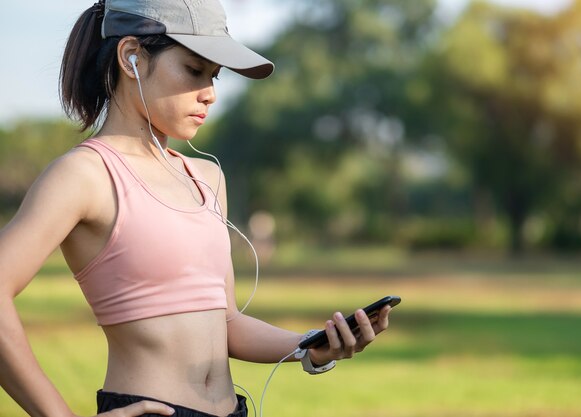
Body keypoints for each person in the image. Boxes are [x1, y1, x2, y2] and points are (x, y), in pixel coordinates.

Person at [0, 1, 393, 416]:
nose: (210, 94)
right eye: (193, 70)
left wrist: (312, 345)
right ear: (131, 56)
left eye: (214, 76)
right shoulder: (84, 174)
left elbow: (226, 323)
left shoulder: (206, 178)